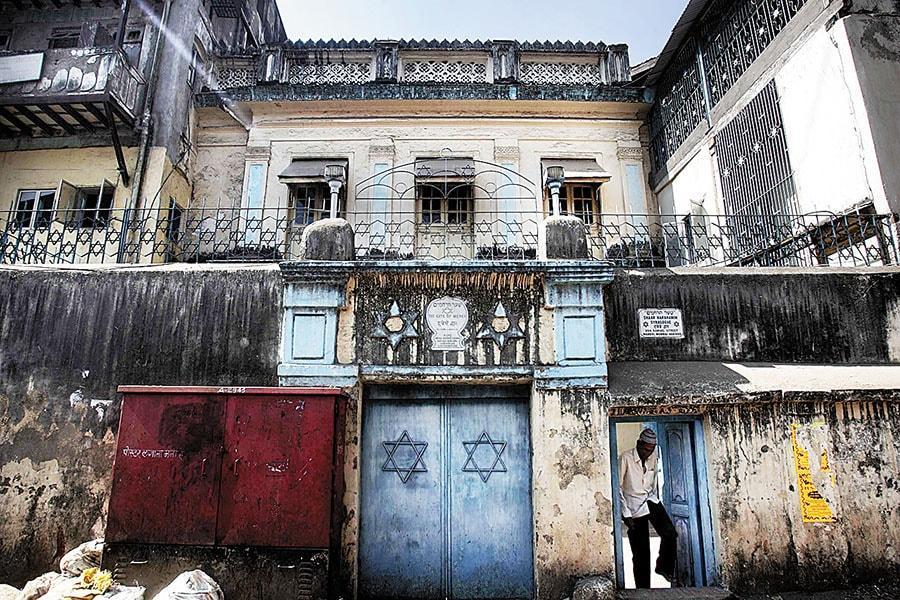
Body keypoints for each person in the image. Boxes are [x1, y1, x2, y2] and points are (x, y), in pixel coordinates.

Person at [618, 427, 678, 588]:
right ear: (638, 444)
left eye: (651, 450)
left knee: (670, 534)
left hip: (650, 500)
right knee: (641, 554)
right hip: (634, 507)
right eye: (645, 449)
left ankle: (663, 568)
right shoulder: (625, 458)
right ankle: (643, 590)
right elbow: (617, 487)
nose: (648, 453)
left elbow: (653, 480)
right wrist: (626, 514)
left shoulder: (653, 456)